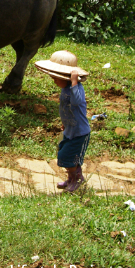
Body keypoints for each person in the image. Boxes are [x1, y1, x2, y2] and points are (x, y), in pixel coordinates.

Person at [35, 51, 90, 192]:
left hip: (79, 132)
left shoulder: (76, 89)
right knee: (64, 153)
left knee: (68, 156)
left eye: (56, 78)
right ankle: (72, 178)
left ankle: (76, 179)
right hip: (69, 129)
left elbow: (77, 102)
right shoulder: (65, 89)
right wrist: (65, 122)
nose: (54, 80)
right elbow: (66, 108)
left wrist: (74, 82)